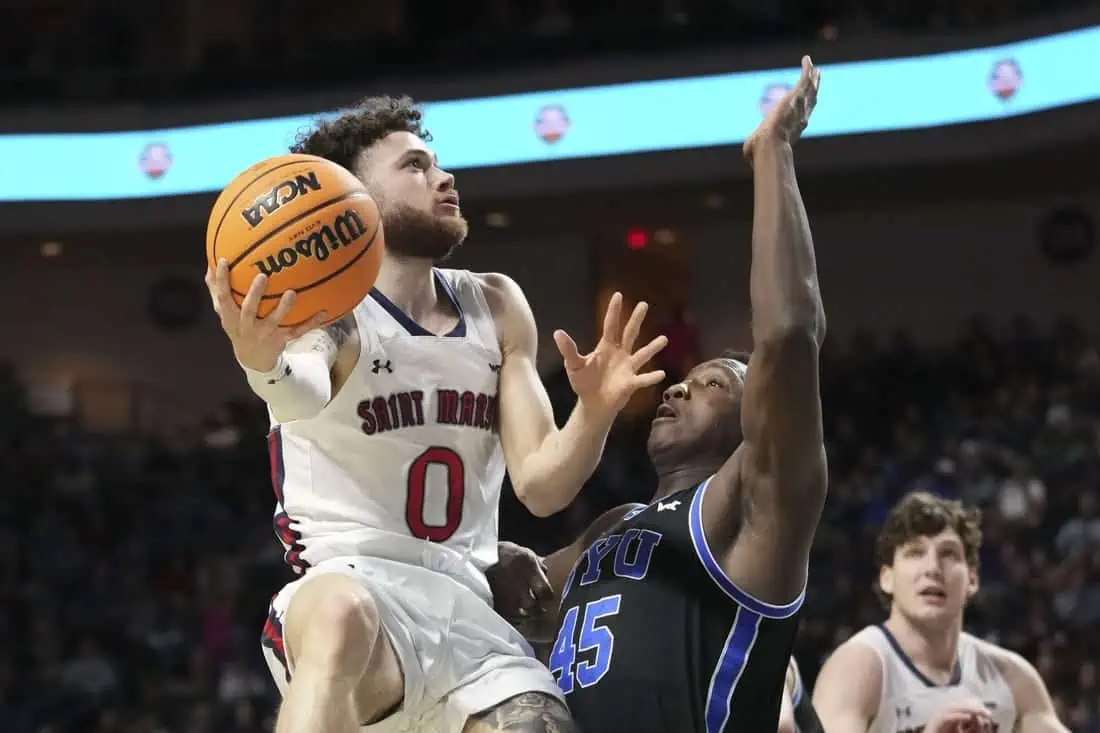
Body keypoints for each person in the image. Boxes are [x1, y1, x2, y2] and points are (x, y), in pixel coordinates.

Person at [204, 95, 669, 733]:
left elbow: (541, 485)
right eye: (416, 167)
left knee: (540, 722)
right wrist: (264, 364)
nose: (444, 178)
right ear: (351, 197)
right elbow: (300, 391)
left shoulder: (496, 304)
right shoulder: (331, 315)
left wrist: (594, 412)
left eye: (439, 164)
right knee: (341, 619)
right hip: (351, 588)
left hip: (469, 608)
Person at [531, 56, 827, 733]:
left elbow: (788, 334)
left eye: (712, 382)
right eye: (682, 382)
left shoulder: (758, 497)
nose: (678, 389)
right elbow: (493, 585)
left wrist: (771, 155)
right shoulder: (610, 527)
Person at [811, 491, 1070, 733]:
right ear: (887, 578)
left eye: (948, 554)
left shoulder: (1012, 677)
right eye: (915, 553)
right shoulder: (856, 669)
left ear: (972, 579)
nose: (932, 568)